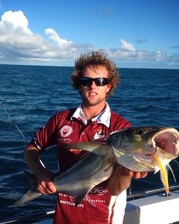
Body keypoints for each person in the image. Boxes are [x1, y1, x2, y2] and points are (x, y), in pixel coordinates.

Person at [25, 51, 148, 224]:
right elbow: (31, 149)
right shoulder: (61, 119)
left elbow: (114, 190)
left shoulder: (121, 130)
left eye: (100, 81)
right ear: (78, 84)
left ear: (109, 86)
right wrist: (42, 174)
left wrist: (124, 172)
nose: (93, 86)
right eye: (86, 81)